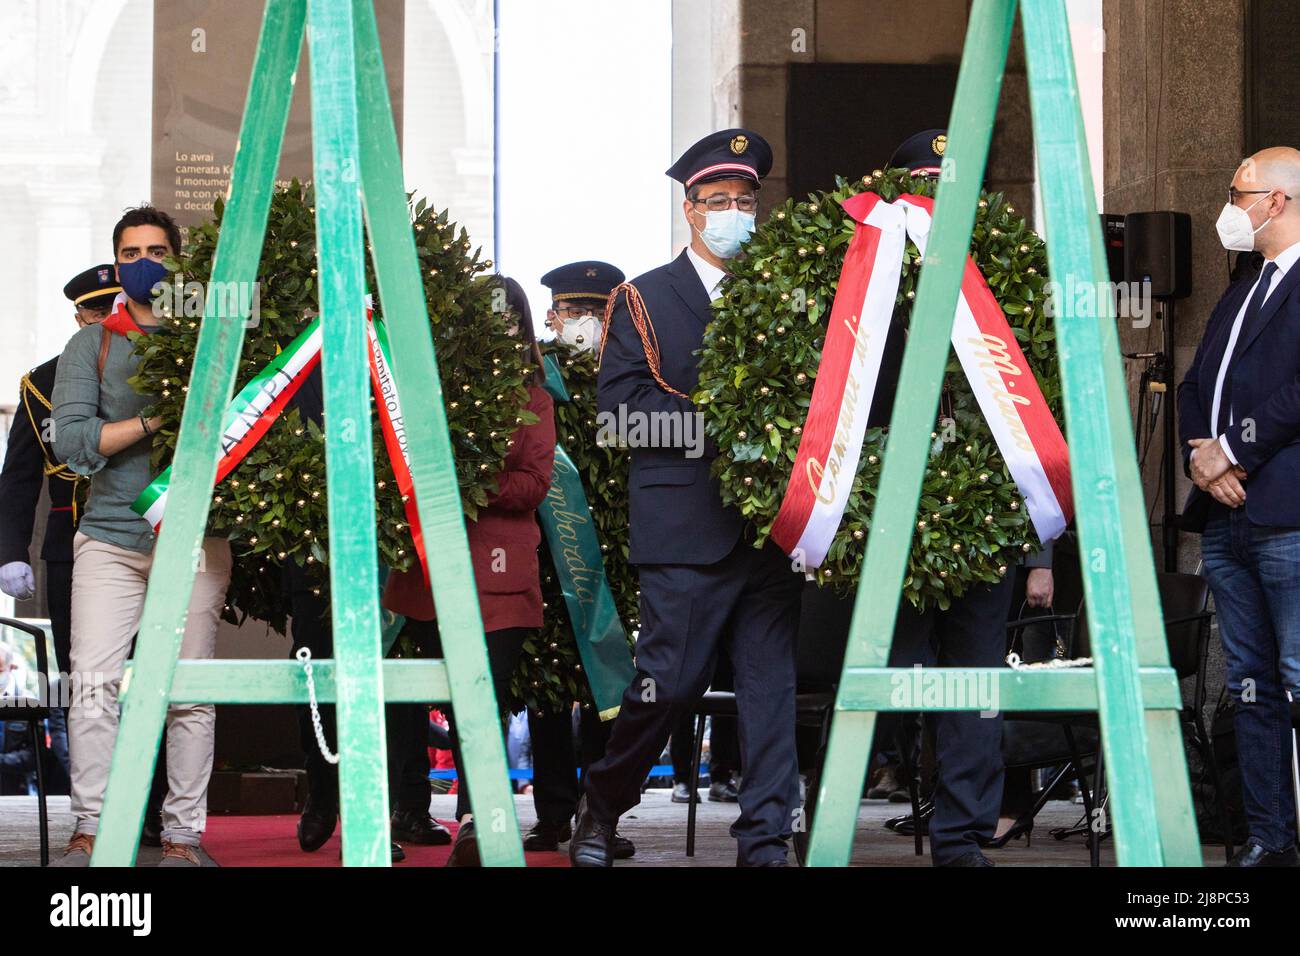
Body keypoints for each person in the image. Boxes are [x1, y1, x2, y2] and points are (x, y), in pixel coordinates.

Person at [571, 128, 805, 868]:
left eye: (746, 199)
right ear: (690, 210)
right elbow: (620, 415)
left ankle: (766, 840)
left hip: (771, 530)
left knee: (770, 695)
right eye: (719, 201)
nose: (736, 212)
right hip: (684, 529)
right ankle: (602, 808)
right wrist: (728, 429)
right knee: (666, 685)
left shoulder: (784, 292)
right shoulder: (642, 297)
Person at [868, 130, 1058, 867]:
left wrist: (1041, 553)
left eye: (953, 183)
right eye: (925, 180)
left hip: (988, 531)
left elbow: (1039, 424)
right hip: (894, 533)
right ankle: (875, 797)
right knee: (896, 681)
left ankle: (961, 836)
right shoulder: (870, 274)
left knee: (976, 690)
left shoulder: (1008, 282)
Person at [49, 206, 232, 867]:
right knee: (94, 686)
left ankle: (183, 838)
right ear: (117, 262)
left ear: (180, 261)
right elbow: (74, 444)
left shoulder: (214, 336)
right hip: (110, 537)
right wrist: (156, 419)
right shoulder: (91, 344)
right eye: (131, 252)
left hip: (195, 541)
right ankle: (91, 829)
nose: (145, 261)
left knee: (189, 693)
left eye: (158, 249)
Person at [383, 275, 555, 866]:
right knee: (435, 700)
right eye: (485, 318)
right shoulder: (425, 388)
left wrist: (466, 483)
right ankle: (405, 809)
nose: (498, 329)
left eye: (508, 319)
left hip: (500, 579)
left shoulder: (535, 399)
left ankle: (479, 821)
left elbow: (534, 485)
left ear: (522, 329)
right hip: (428, 576)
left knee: (484, 698)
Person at [1178, 146, 1300, 867]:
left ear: (1277, 202)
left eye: (1239, 192)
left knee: (1295, 674)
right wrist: (1202, 449)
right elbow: (1198, 380)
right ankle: (1269, 839)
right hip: (1226, 517)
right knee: (1251, 682)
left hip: (1284, 511)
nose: (1230, 205)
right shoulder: (1245, 283)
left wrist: (1235, 450)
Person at [522, 260, 635, 858]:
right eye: (574, 311)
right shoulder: (534, 376)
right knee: (546, 687)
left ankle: (602, 815)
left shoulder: (631, 372)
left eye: (596, 311)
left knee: (608, 692)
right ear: (552, 317)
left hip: (612, 557)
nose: (585, 323)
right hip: (549, 549)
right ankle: (551, 813)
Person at [0, 264, 119, 794]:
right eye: (96, 309)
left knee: (147, 670)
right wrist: (10, 551)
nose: (107, 316)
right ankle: (94, 798)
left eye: (115, 305)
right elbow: (19, 478)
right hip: (69, 543)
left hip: (145, 535)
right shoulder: (41, 382)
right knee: (83, 675)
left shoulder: (161, 369)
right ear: (78, 317)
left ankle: (153, 794)